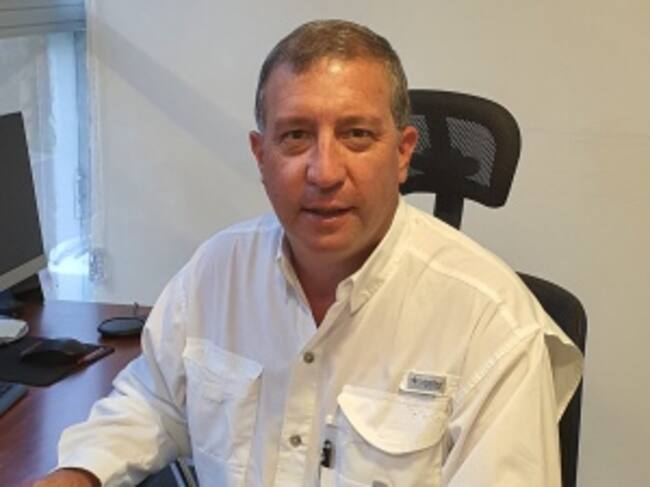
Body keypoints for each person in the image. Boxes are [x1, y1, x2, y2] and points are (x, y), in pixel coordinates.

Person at [32, 19, 582, 487]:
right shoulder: (217, 271)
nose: (324, 172)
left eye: (357, 134)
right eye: (295, 136)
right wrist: (80, 472)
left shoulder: (493, 325)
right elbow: (154, 401)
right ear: (261, 155)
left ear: (402, 153)